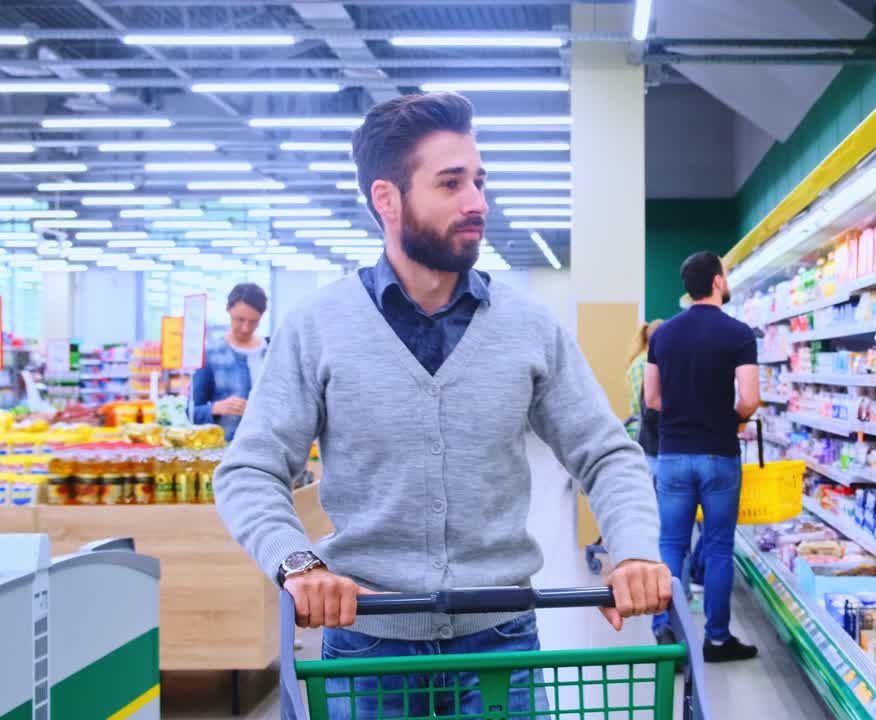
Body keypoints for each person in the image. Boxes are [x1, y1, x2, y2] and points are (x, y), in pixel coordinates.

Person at [213, 91, 671, 718]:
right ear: (387, 199)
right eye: (451, 183)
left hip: (502, 648)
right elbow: (250, 469)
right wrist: (299, 563)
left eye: (479, 181)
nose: (477, 202)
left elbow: (607, 453)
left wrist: (636, 548)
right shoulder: (318, 326)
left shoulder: (528, 327)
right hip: (369, 644)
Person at [645, 251, 760, 662]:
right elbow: (749, 399)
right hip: (719, 456)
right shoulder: (738, 334)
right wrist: (725, 417)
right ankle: (716, 638)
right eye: (725, 275)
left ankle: (666, 634)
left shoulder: (663, 334)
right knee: (717, 549)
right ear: (716, 281)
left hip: (673, 455)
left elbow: (652, 397)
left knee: (671, 545)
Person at [189, 283, 269, 442]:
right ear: (228, 309)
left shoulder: (272, 352)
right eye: (239, 319)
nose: (246, 328)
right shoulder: (210, 354)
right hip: (227, 450)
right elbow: (191, 413)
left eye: (254, 321)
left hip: (267, 446)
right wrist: (215, 409)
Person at [625, 319, 663, 471]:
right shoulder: (644, 363)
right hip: (646, 432)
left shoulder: (642, 360)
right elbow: (642, 403)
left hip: (645, 431)